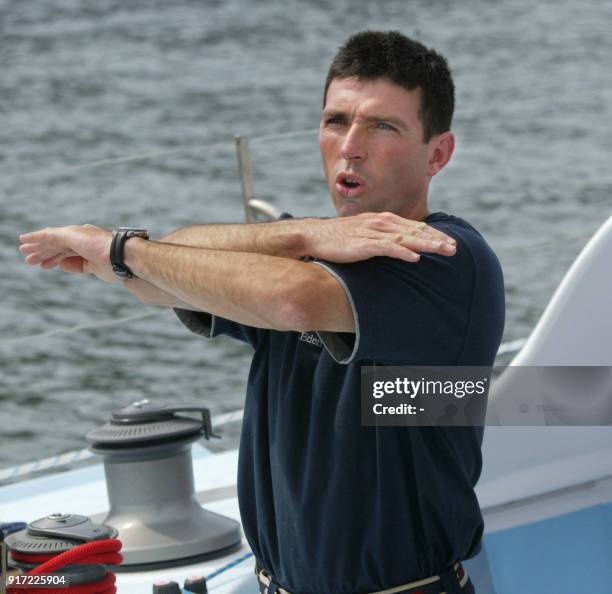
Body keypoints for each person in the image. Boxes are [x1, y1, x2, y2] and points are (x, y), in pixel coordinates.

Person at [19, 31, 504, 594]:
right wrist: (303, 231)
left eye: (383, 126)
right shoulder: (307, 246)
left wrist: (123, 252)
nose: (350, 146)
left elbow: (290, 300)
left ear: (438, 153)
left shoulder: (447, 258)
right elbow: (173, 275)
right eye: (335, 121)